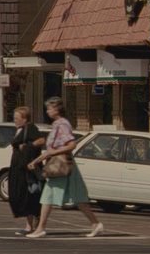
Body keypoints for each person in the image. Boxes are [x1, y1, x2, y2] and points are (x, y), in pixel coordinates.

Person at [26, 97, 104, 238]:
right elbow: (51, 149)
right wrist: (37, 160)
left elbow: (71, 145)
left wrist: (48, 155)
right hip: (60, 164)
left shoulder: (62, 124)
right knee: (78, 197)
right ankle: (95, 223)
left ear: (57, 109)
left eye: (50, 108)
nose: (48, 111)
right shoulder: (57, 124)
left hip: (61, 165)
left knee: (47, 197)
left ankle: (41, 228)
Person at [8, 107, 46, 235]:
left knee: (28, 195)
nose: (14, 120)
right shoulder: (20, 130)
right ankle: (32, 223)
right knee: (18, 196)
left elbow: (41, 140)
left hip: (27, 171)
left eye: (17, 118)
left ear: (24, 119)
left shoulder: (31, 128)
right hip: (18, 169)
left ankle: (30, 226)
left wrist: (28, 146)